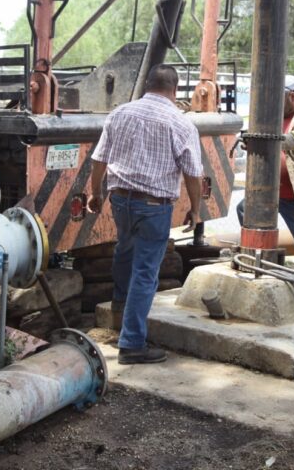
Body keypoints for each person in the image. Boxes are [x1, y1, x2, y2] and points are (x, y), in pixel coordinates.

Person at [88, 64, 203, 365]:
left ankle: (119, 309)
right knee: (145, 274)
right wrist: (195, 208)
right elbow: (193, 173)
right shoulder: (181, 123)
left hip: (121, 201)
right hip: (154, 207)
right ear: (175, 90)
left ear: (148, 84)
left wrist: (97, 194)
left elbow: (99, 159)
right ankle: (132, 343)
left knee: (124, 252)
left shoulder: (120, 113)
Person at [237, 75, 294, 271]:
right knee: (244, 209)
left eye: (277, 98)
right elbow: (264, 140)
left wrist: (262, 140)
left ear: (292, 97)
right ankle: (262, 261)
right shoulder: (273, 116)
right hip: (271, 191)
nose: (273, 103)